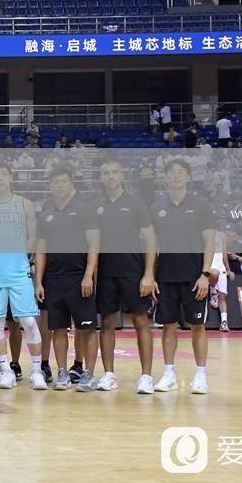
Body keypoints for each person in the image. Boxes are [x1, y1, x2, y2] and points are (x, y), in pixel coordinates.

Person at [0, 162, 47, 390]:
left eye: (3, 174)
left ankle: (36, 372)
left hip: (18, 271)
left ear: (10, 177)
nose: (0, 178)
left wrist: (19, 257)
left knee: (28, 321)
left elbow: (32, 238)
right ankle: (5, 370)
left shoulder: (24, 204)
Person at [151, 158, 214, 394]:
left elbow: (210, 241)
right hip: (166, 276)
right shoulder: (156, 208)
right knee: (168, 326)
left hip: (194, 277)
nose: (176, 175)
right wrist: (151, 276)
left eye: (180, 172)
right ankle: (169, 374)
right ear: (165, 177)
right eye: (171, 172)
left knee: (197, 326)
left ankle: (201, 375)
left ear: (188, 177)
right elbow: (152, 245)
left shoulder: (201, 205)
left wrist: (205, 274)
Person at [34, 165, 99, 392]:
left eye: (63, 181)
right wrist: (38, 281)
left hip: (79, 279)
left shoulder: (85, 209)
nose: (59, 185)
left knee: (87, 329)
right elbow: (40, 251)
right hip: (54, 280)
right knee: (58, 329)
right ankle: (62, 372)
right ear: (50, 186)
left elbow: (94, 245)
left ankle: (88, 374)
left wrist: (88, 275)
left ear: (71, 182)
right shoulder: (46, 214)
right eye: (55, 182)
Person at [94, 158, 157, 393]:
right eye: (106, 173)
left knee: (141, 321)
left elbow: (150, 239)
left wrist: (149, 274)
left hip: (133, 271)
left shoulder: (137, 204)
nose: (110, 176)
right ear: (101, 178)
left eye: (114, 172)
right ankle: (109, 374)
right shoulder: (96, 206)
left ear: (122, 175)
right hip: (106, 273)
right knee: (107, 323)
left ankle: (146, 377)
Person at [208, 227, 234, 333]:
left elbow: (224, 254)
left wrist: (228, 270)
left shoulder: (222, 236)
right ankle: (213, 292)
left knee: (222, 296)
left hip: (220, 266)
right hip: (209, 265)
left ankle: (224, 322)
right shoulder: (204, 234)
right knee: (214, 273)